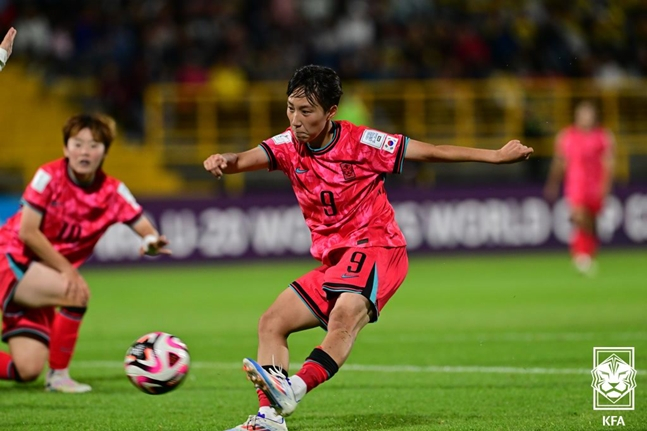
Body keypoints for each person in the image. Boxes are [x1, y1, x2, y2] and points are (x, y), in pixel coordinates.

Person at [203, 65, 533, 431]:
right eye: (291, 108)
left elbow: (431, 152)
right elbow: (240, 159)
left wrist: (495, 156)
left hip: (377, 247)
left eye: (306, 111)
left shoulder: (362, 143)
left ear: (331, 112)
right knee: (272, 323)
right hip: (336, 260)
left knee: (344, 318)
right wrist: (223, 160)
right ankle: (269, 420)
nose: (295, 120)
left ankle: (293, 388)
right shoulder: (287, 145)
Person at [0, 45, 171, 393]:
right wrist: (67, 270)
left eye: (94, 146)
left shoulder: (113, 191)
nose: (85, 151)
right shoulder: (48, 177)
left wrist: (151, 242)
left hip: (41, 275)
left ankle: (46, 372)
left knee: (26, 368)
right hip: (12, 259)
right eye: (77, 144)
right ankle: (59, 377)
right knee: (76, 292)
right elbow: (29, 233)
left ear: (105, 152)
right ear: (65, 148)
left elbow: (144, 229)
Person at [544, 100, 615, 275]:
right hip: (576, 184)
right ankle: (580, 254)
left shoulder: (603, 136)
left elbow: (609, 163)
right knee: (578, 216)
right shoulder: (566, 136)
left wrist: (606, 185)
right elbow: (559, 162)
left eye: (589, 114)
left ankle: (588, 252)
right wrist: (553, 183)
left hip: (595, 184)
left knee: (591, 221)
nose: (586, 118)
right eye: (583, 114)